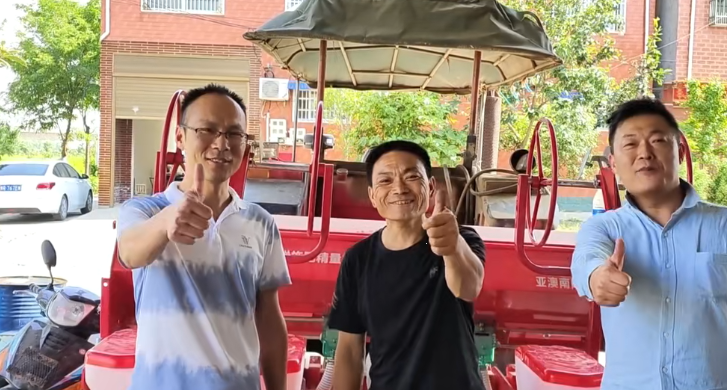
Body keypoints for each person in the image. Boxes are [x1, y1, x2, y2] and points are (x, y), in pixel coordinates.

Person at [571, 98, 727, 390]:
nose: (644, 153)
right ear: (613, 163)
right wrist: (597, 278)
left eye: (657, 140)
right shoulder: (604, 228)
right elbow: (587, 260)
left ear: (679, 151)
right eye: (630, 144)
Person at [117, 84, 291, 390]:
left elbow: (269, 321)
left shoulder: (260, 222)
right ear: (180, 137)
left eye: (234, 134)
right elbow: (129, 253)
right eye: (207, 130)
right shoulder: (144, 210)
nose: (222, 144)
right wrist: (166, 221)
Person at [328, 140, 486, 390]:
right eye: (385, 180)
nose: (399, 188)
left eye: (411, 177)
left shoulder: (461, 239)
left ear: (430, 187)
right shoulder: (358, 259)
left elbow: (468, 287)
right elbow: (349, 349)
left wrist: (452, 247)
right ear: (372, 195)